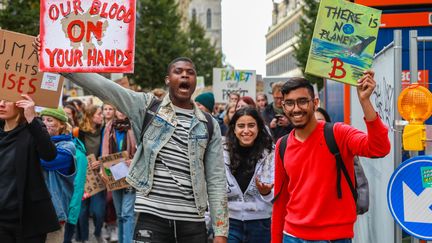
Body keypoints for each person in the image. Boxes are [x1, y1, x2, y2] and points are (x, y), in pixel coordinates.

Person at [48, 56, 228, 242]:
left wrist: (220, 232)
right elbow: (103, 87)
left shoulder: (209, 125)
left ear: (194, 81)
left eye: (190, 73)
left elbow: (216, 179)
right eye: (178, 72)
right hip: (151, 220)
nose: (184, 76)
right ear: (168, 80)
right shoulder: (147, 107)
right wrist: (55, 60)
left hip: (192, 222)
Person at [271, 72, 391, 243]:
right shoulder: (282, 145)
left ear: (315, 103)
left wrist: (365, 102)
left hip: (334, 238)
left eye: (302, 101)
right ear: (283, 106)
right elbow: (280, 200)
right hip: (291, 236)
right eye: (289, 103)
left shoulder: (338, 133)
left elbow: (379, 148)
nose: (296, 108)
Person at [0, 95, 59, 242]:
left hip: (30, 218)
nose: (1, 104)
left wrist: (32, 119)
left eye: (7, 100)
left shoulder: (33, 128)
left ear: (21, 103)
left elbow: (49, 154)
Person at [224, 107, 274, 243]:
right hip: (230, 223)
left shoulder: (270, 153)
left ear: (259, 127)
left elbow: (279, 194)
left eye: (251, 125)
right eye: (241, 126)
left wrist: (266, 193)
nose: (246, 131)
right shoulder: (221, 152)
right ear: (234, 129)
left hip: (261, 224)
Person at [39, 108, 77, 243]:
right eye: (42, 120)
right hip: (35, 210)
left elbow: (46, 160)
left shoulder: (68, 147)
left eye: (49, 120)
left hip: (54, 213)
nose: (44, 123)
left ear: (62, 124)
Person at [101, 109, 137, 243]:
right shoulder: (109, 127)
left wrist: (134, 160)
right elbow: (105, 151)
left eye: (124, 108)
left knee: (127, 213)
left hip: (131, 173)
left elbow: (143, 148)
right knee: (120, 214)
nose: (122, 112)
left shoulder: (134, 125)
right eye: (119, 109)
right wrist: (103, 168)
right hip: (114, 173)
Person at [74, 105, 106, 243]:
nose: (102, 116)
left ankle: (98, 232)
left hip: (98, 176)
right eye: (99, 114)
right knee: (82, 211)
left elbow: (107, 151)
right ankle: (84, 239)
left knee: (99, 212)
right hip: (82, 176)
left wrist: (100, 161)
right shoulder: (79, 132)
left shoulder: (104, 130)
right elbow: (75, 152)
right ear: (91, 116)